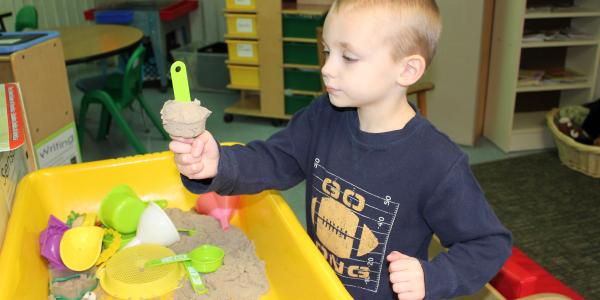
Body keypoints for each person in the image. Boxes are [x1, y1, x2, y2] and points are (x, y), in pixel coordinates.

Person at [170, 0, 512, 299]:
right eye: (327, 51)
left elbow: (488, 243)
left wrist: (432, 277)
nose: (327, 68)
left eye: (348, 56)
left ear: (407, 69)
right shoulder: (324, 116)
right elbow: (275, 160)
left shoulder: (437, 162)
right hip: (317, 283)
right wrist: (219, 162)